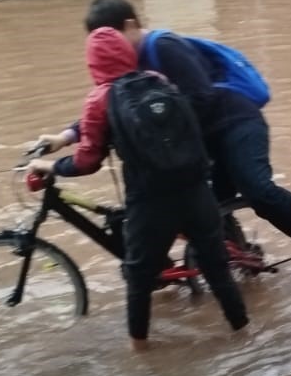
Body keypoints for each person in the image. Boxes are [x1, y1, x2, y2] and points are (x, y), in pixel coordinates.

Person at [39, 0, 291, 261]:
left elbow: (201, 97)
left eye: (112, 38)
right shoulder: (124, 66)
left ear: (131, 26)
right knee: (202, 208)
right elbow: (113, 107)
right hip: (205, 140)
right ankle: (239, 256)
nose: (107, 49)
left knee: (257, 190)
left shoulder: (164, 47)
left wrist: (160, 131)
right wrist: (65, 137)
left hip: (235, 122)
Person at [28, 29, 248, 353]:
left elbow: (88, 161)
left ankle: (142, 355)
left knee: (139, 279)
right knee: (217, 270)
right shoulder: (158, 80)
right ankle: (244, 336)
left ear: (93, 65)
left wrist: (52, 167)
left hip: (151, 202)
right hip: (196, 190)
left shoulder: (99, 99)